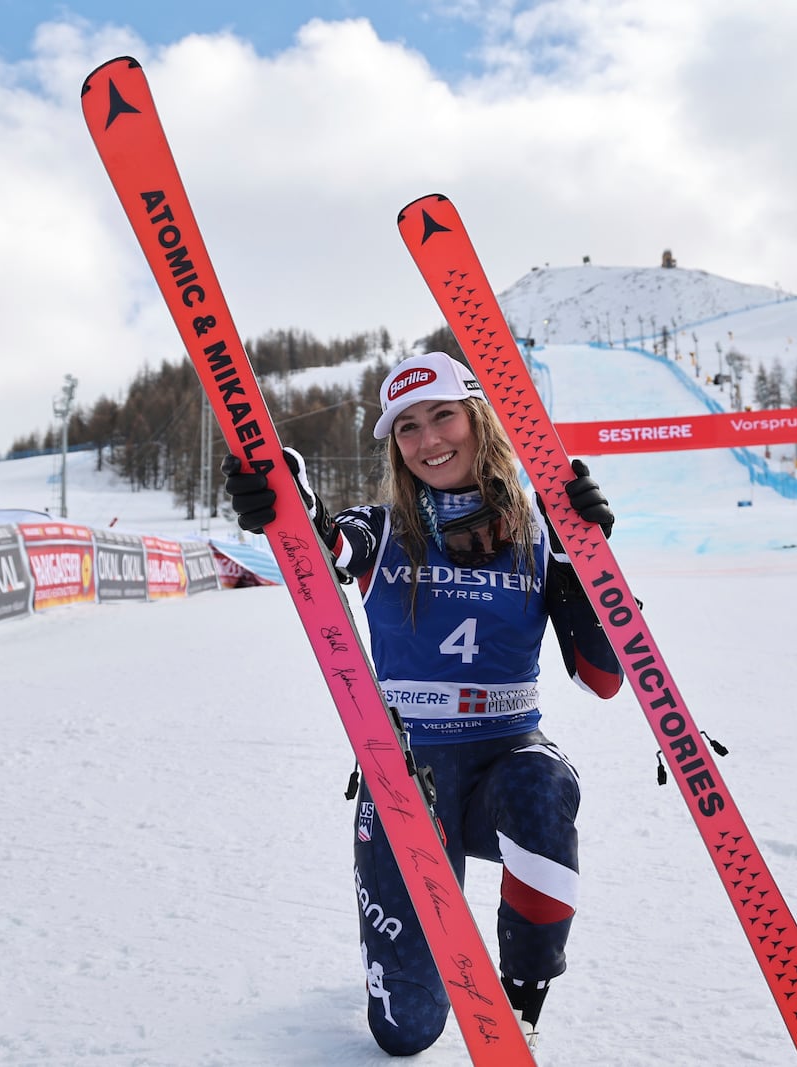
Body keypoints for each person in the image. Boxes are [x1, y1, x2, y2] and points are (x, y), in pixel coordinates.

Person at [223, 351, 623, 1054]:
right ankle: (410, 976)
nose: (430, 439)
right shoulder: (382, 529)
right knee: (407, 1032)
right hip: (407, 776)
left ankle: (522, 1002)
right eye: (407, 427)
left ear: (479, 419)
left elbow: (604, 677)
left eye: (443, 414)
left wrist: (583, 560)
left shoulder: (538, 532)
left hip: (503, 765)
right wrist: (286, 505)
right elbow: (325, 546)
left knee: (545, 779)